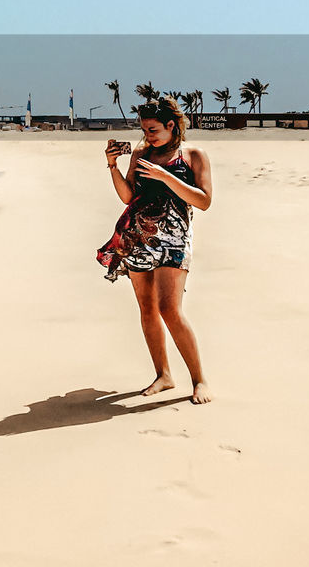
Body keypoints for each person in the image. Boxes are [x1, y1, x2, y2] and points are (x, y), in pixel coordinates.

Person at [98, 95, 214, 405]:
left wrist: (165, 176)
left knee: (169, 309)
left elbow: (203, 201)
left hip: (175, 240)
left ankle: (199, 379)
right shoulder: (140, 155)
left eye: (152, 130)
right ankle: (163, 375)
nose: (146, 136)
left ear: (171, 125)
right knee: (147, 308)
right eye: (144, 130)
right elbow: (128, 198)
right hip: (139, 237)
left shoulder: (193, 156)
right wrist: (113, 165)